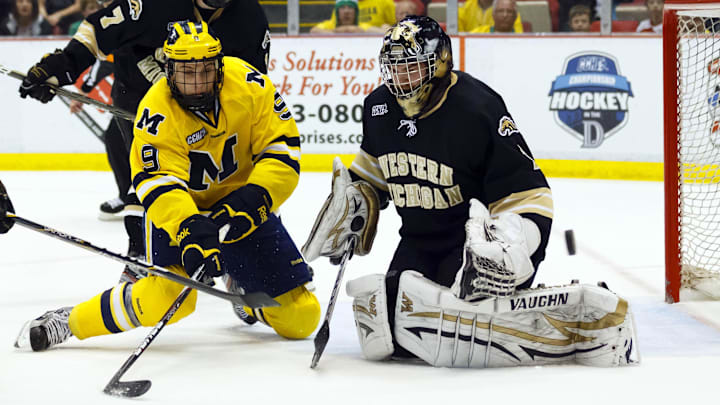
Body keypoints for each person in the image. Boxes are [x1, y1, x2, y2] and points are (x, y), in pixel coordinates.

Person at [302, 16, 638, 368]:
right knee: (391, 324)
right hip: (419, 240)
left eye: (412, 68)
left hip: (474, 246)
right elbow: (371, 175)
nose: (401, 79)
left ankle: (541, 315)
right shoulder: (378, 109)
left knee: (454, 320)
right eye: (394, 68)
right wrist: (355, 206)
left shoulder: (476, 108)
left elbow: (528, 194)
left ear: (439, 64)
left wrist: (510, 250)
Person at [14, 21, 319, 352]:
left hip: (241, 204)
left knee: (302, 317)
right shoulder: (155, 111)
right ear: (169, 69)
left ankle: (243, 292)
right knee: (167, 301)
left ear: (219, 64)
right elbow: (156, 183)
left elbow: (282, 150)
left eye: (206, 70)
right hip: (181, 213)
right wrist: (189, 228)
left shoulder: (250, 84)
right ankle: (69, 321)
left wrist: (253, 199)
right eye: (188, 72)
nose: (198, 83)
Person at [18, 0, 271, 286]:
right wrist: (62, 66)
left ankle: (232, 256)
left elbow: (254, 85)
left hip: (209, 101)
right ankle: (141, 253)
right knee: (150, 174)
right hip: (142, 97)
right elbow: (99, 29)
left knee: (222, 175)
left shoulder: (249, 16)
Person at [312, 0, 395, 32]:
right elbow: (314, 31)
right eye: (342, 8)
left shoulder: (361, 25)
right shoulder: (330, 24)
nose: (346, 11)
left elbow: (383, 31)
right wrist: (344, 30)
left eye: (350, 8)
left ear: (356, 12)